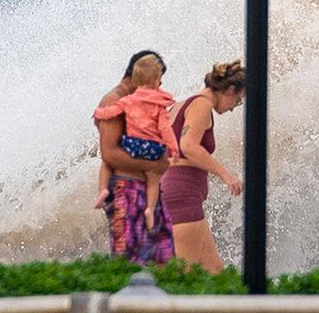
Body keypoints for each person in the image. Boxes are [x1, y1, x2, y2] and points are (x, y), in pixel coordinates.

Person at [159, 59, 247, 273]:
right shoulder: (202, 104)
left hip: (172, 191)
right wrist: (225, 175)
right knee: (187, 276)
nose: (234, 108)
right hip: (182, 197)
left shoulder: (180, 105)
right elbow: (187, 146)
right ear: (230, 90)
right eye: (238, 101)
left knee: (215, 272)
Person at [94, 50, 174, 264]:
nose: (158, 88)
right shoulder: (114, 100)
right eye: (157, 81)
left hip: (145, 190)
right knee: (128, 261)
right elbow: (109, 153)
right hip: (124, 191)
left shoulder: (139, 102)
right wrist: (155, 165)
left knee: (163, 258)